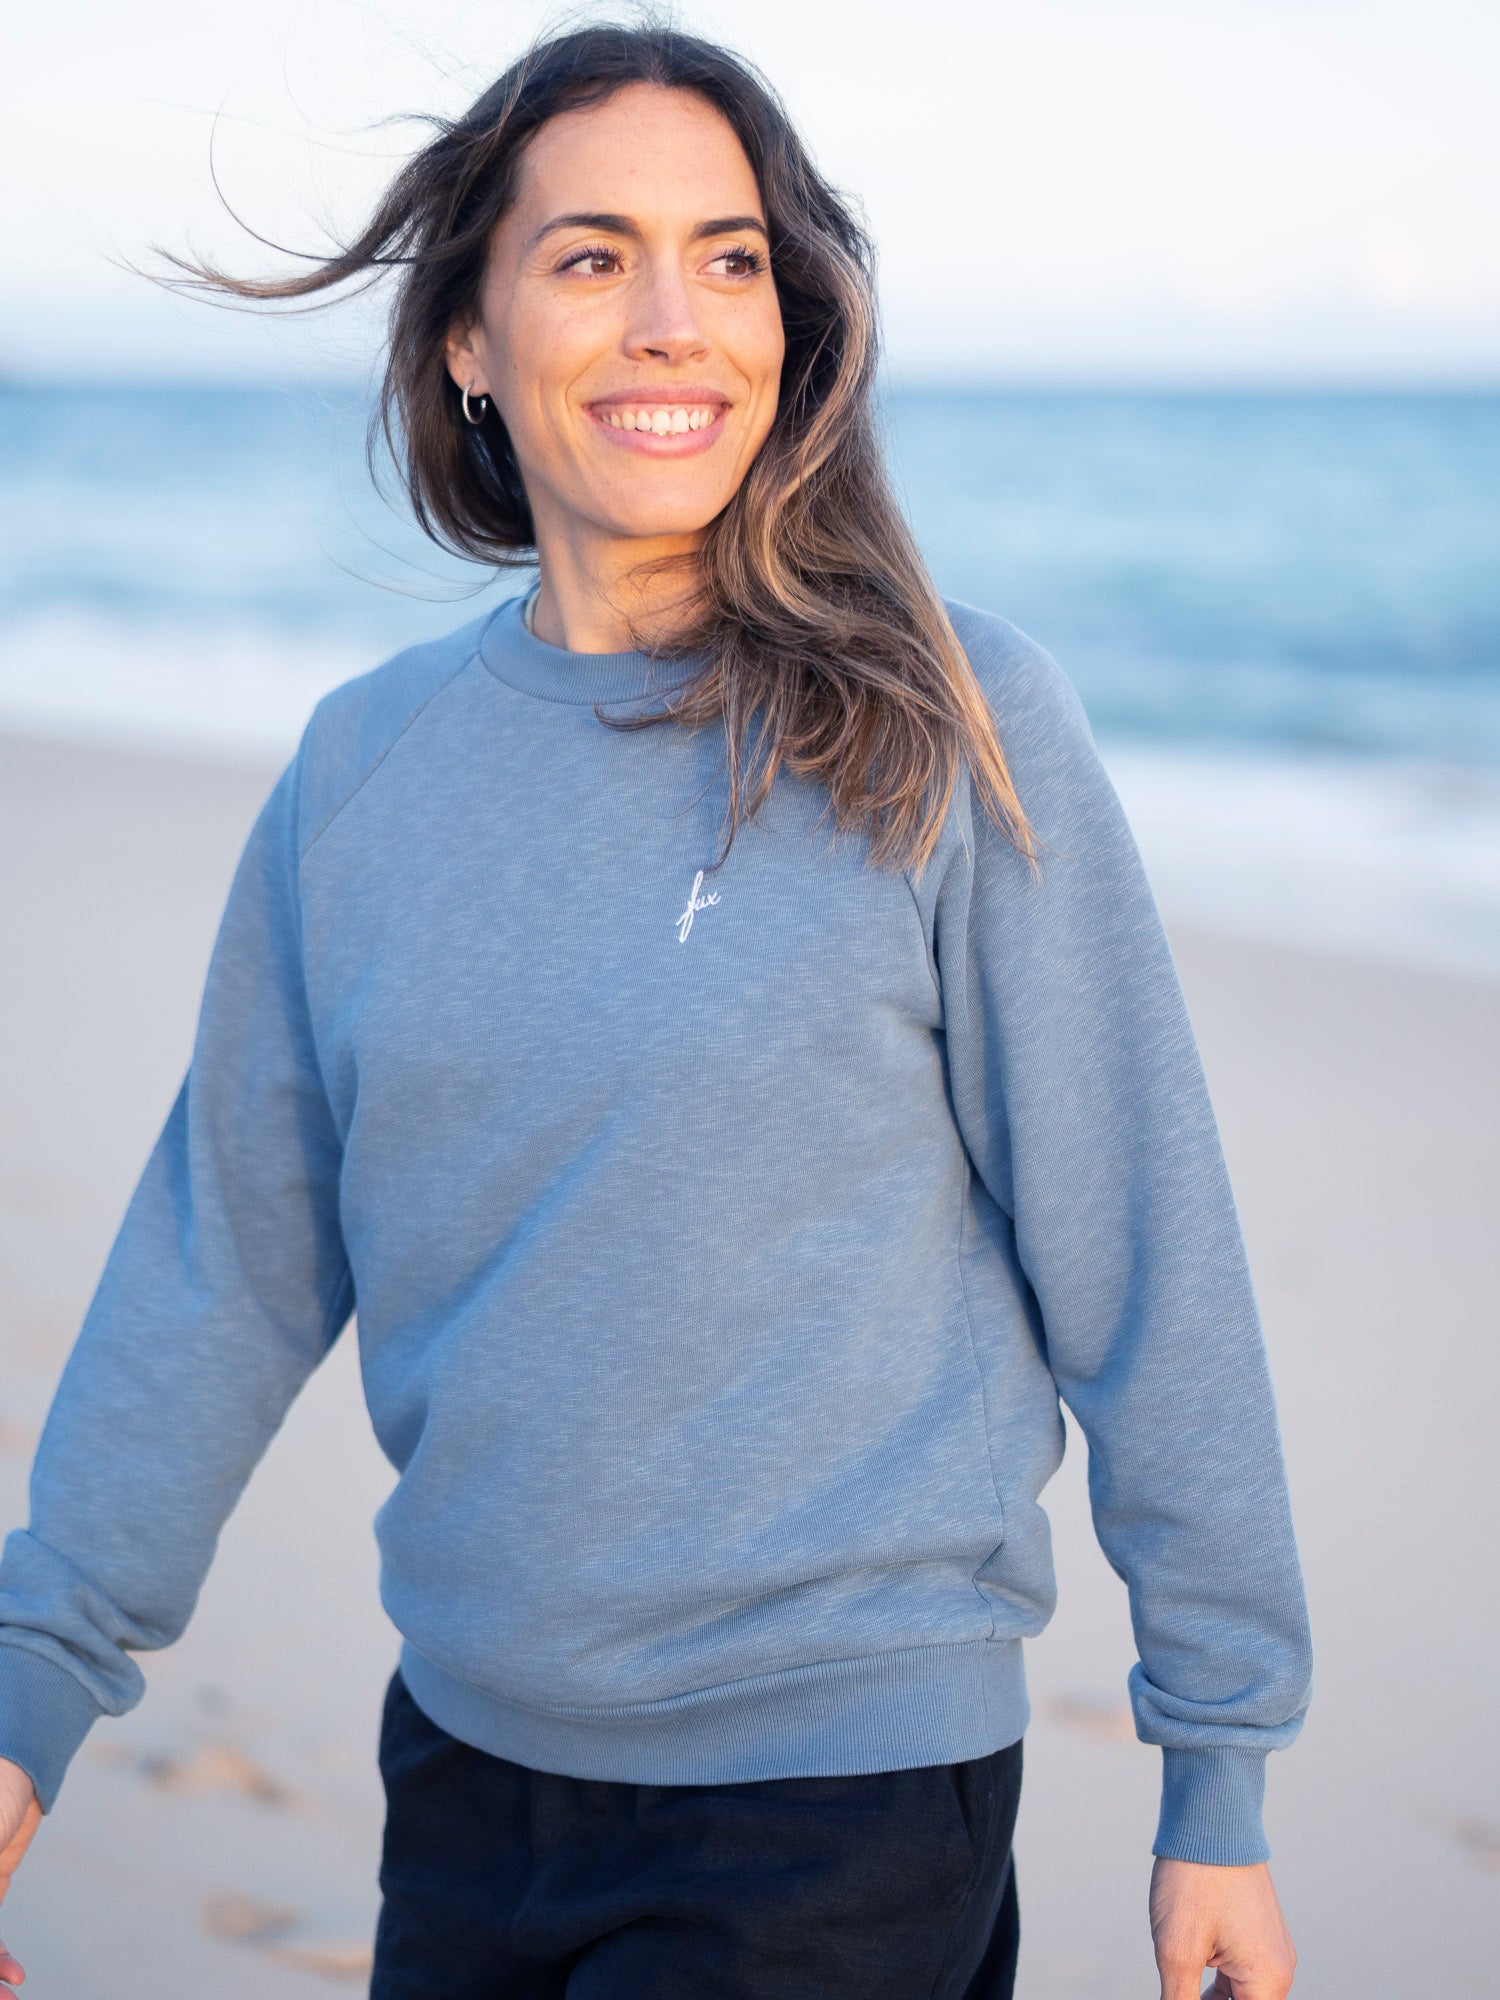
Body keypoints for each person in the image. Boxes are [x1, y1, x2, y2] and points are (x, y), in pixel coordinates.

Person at [0, 21, 1313, 1998]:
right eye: (593, 253)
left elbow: (1144, 1257)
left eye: (730, 257)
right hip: (461, 1777)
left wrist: (1221, 1763)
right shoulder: (361, 774)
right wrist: (28, 1688)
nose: (673, 320)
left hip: (837, 1820)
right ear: (467, 333)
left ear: (791, 326)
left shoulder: (946, 728)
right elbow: (225, 1271)